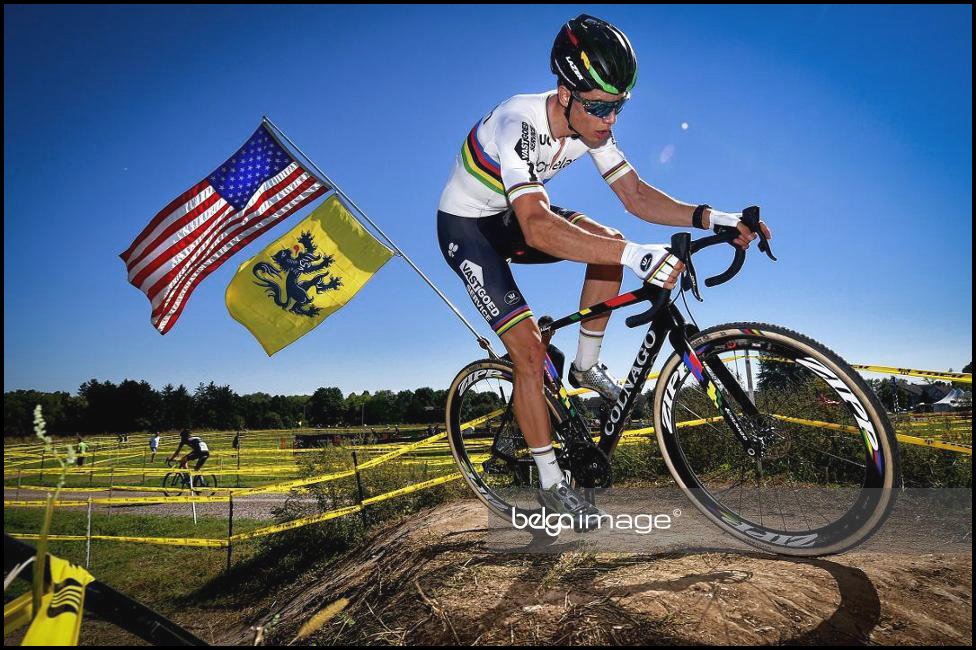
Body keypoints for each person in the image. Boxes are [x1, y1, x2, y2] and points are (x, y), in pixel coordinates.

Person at [436, 14, 771, 524]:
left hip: (515, 215)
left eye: (618, 106)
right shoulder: (518, 124)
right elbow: (535, 227)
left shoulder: (590, 128)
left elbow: (634, 195)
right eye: (598, 106)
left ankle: (585, 365)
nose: (608, 119)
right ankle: (550, 483)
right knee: (527, 350)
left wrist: (715, 218)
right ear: (565, 92)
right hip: (469, 229)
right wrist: (637, 257)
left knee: (609, 240)